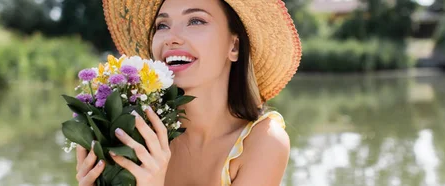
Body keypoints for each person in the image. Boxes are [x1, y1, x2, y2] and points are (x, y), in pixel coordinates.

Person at [75, 0, 301, 185]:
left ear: (234, 47)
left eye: (195, 21)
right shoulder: (134, 130)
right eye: (162, 26)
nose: (172, 37)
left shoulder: (263, 142)